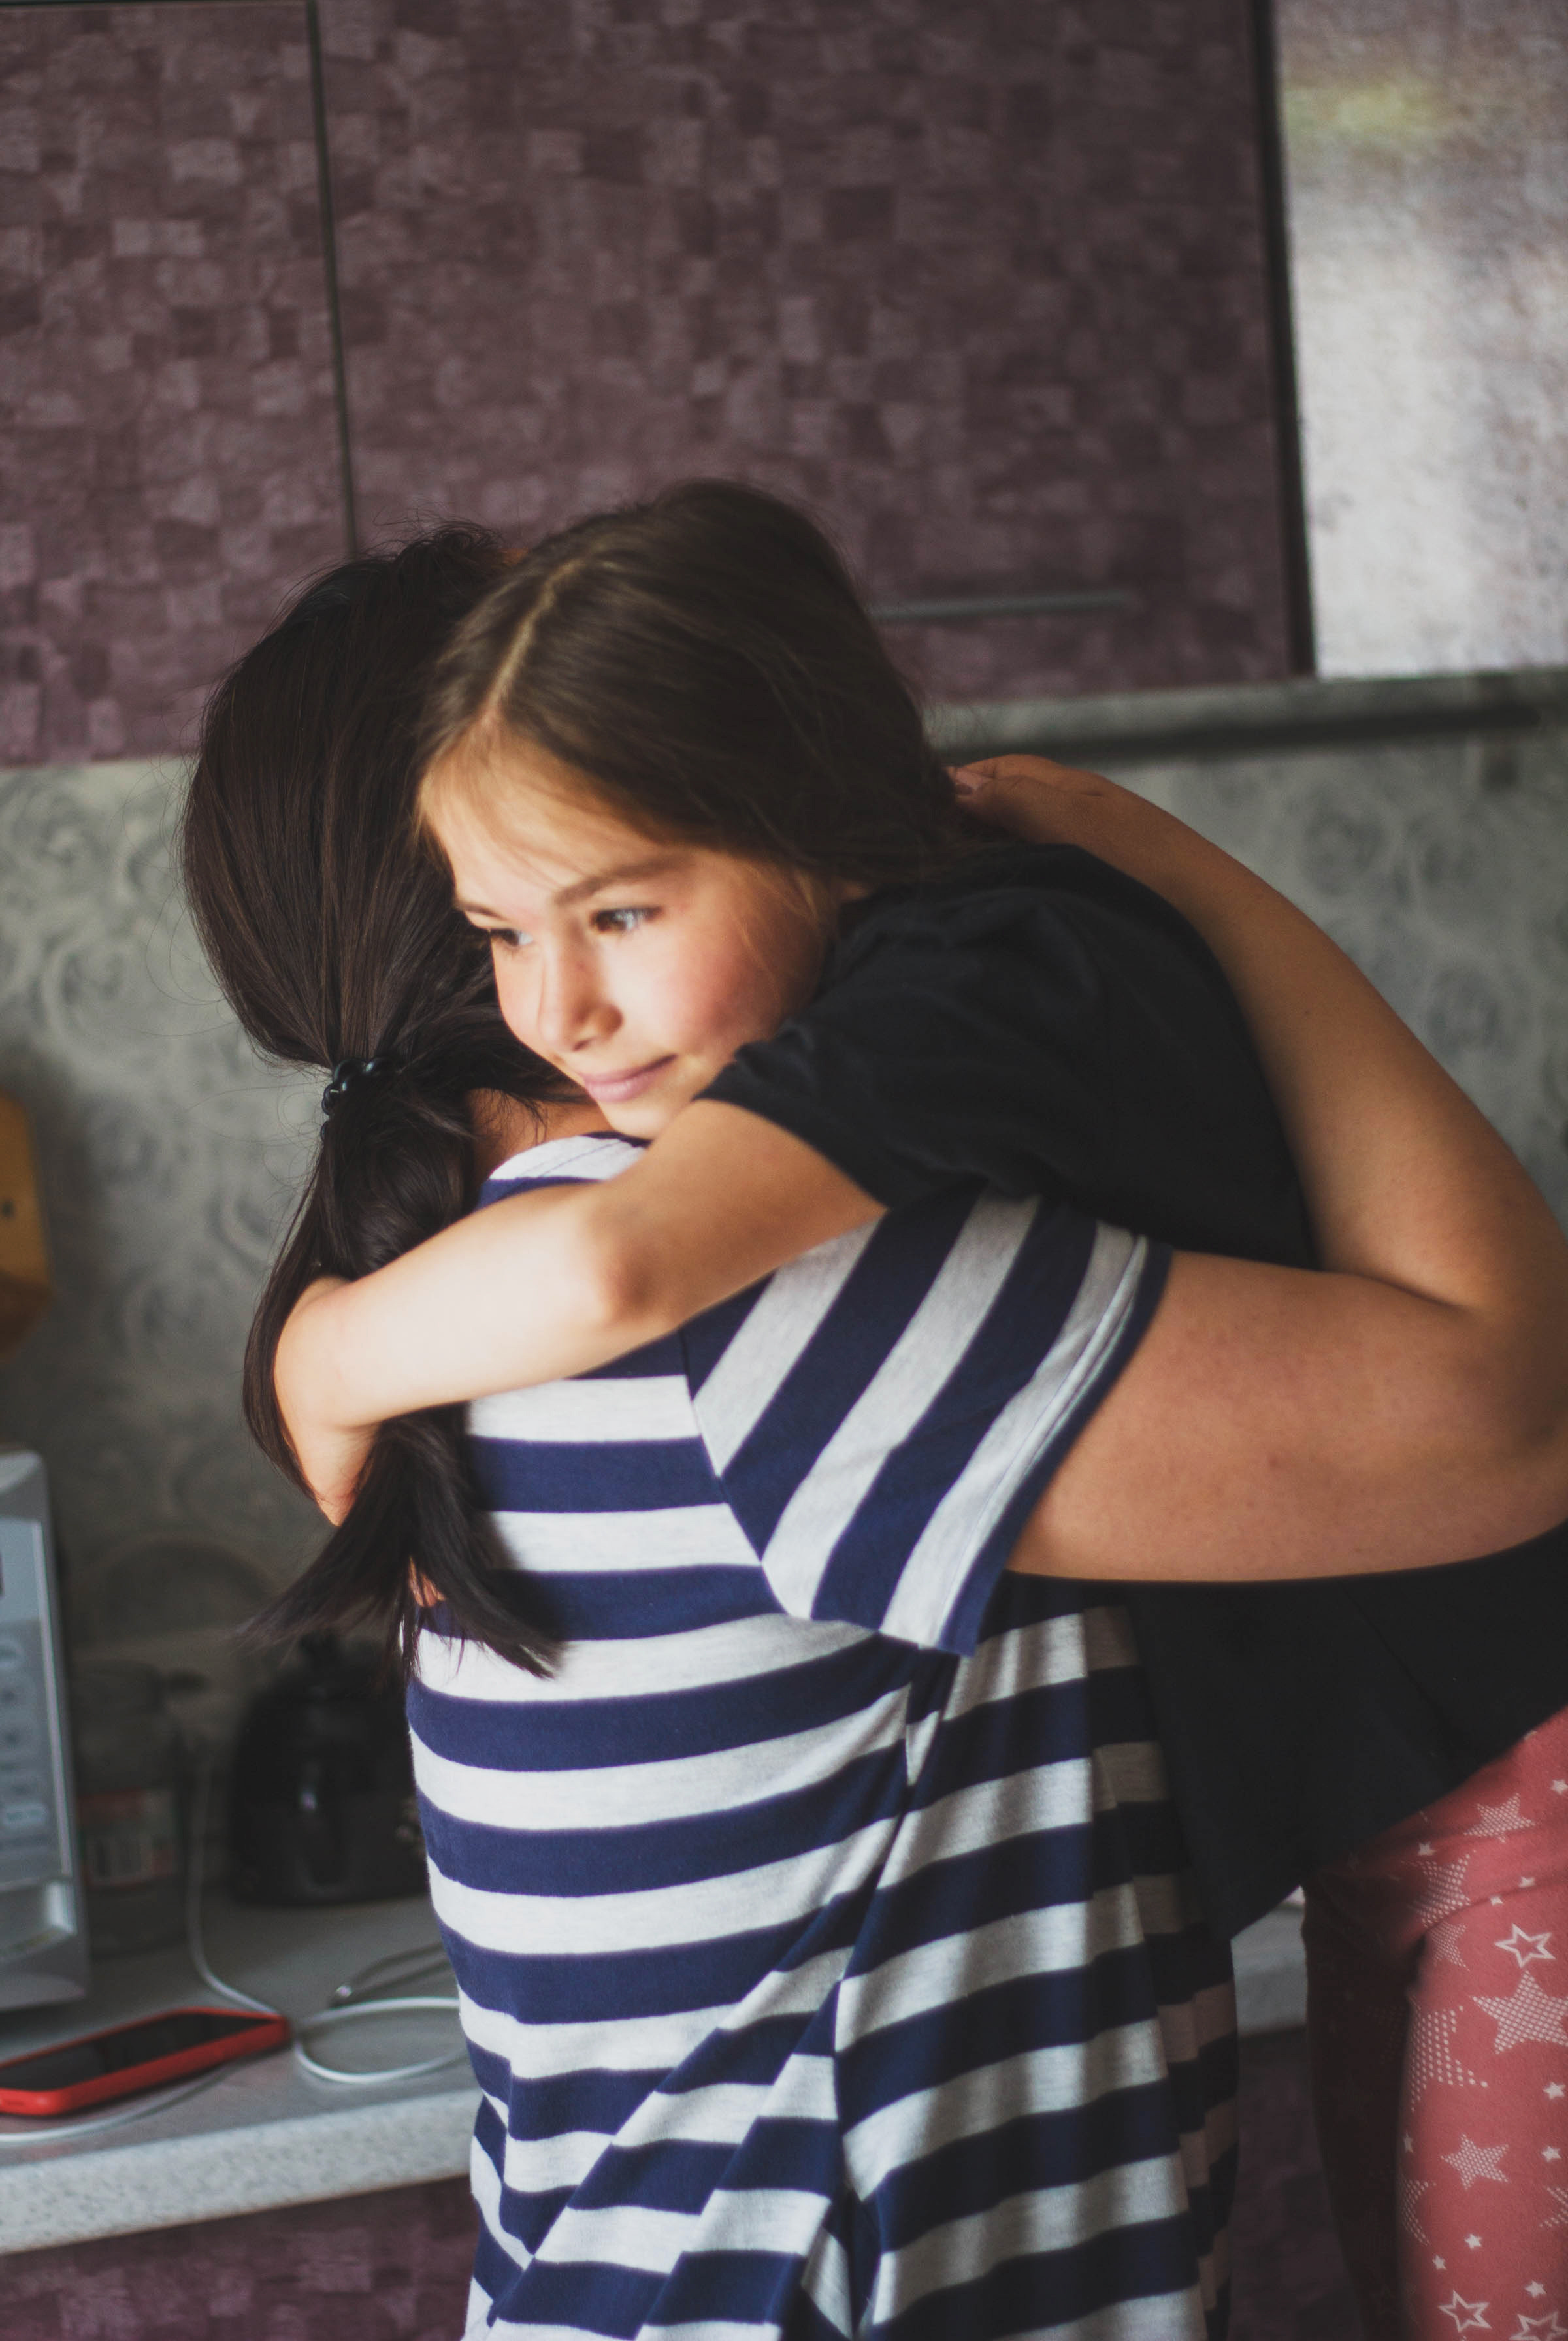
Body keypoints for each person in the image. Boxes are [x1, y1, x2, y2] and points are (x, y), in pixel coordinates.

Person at [187, 491, 1568, 2339]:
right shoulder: (790, 1298)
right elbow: (1508, 1417)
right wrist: (1179, 870)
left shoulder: (451, 1312)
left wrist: (317, 1356)